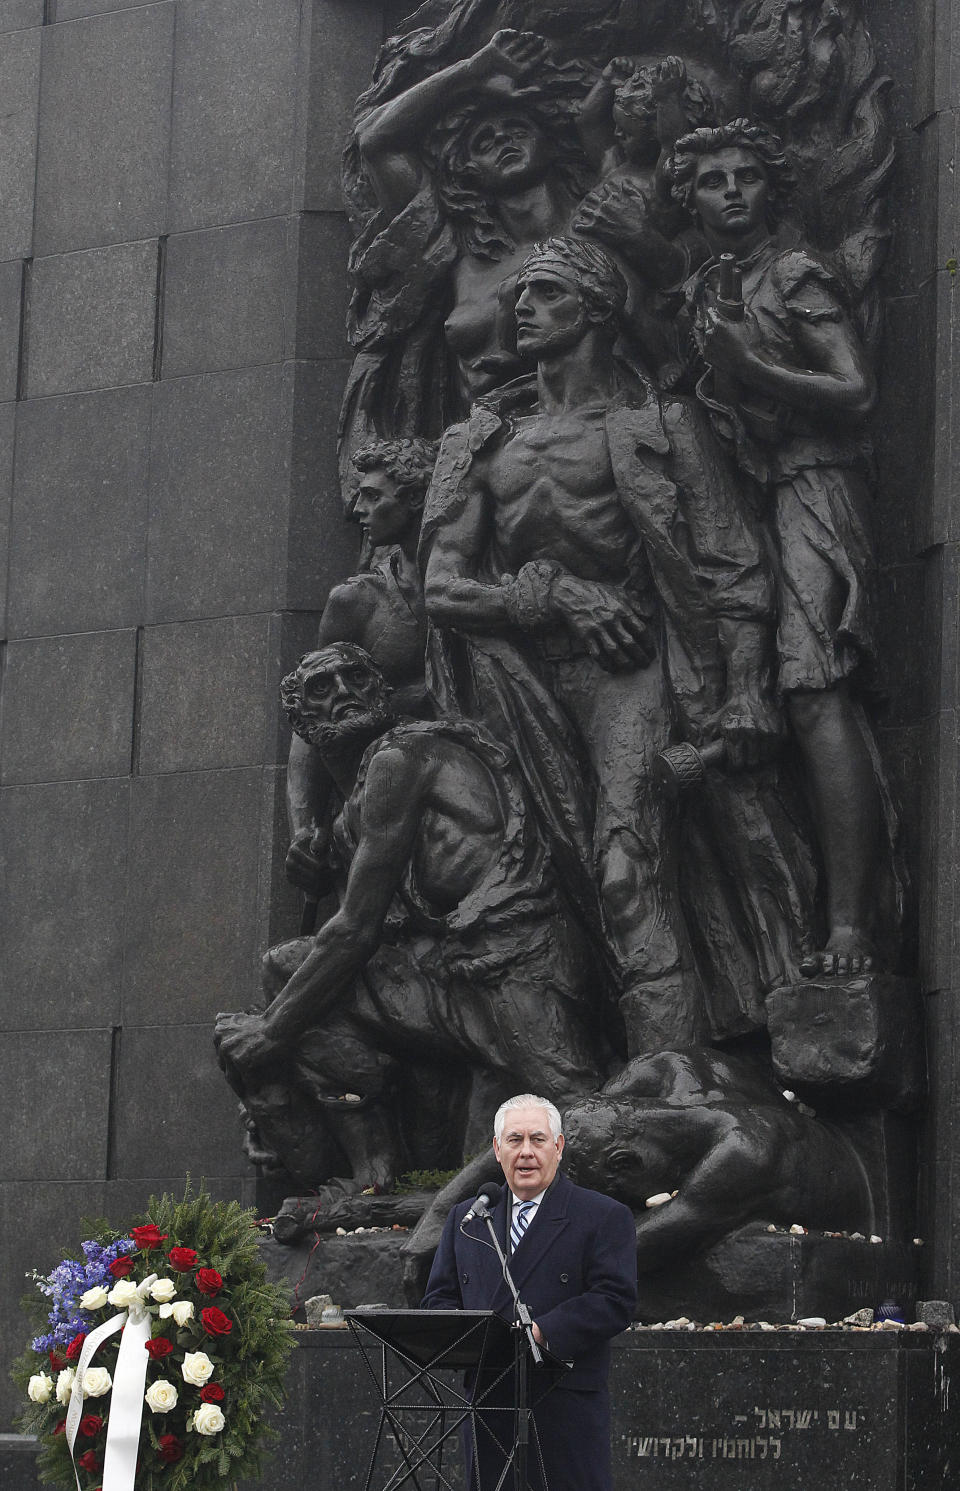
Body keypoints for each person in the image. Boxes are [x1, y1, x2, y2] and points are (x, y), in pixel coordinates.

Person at [422, 235, 814, 1052]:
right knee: (545, 893)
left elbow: (733, 566)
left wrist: (744, 688)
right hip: (521, 689)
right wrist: (553, 593)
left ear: (596, 309)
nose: (522, 307)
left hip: (632, 677)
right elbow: (441, 587)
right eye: (520, 293)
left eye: (546, 292)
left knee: (624, 874)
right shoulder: (485, 442)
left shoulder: (660, 425)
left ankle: (663, 1087)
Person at [214, 647, 601, 1192]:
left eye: (355, 679)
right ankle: (375, 1181)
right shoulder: (362, 794)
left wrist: (273, 1035)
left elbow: (355, 929)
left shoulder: (401, 757)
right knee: (286, 968)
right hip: (457, 971)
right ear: (302, 720)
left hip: (514, 963)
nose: (343, 693)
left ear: (382, 693)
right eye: (322, 689)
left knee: (578, 1103)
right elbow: (389, 920)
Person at [671, 119, 891, 977]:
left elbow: (855, 389)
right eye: (712, 180)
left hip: (813, 487)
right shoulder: (708, 285)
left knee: (813, 693)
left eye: (746, 177)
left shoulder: (794, 274)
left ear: (773, 190)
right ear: (687, 199)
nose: (730, 192)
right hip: (743, 503)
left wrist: (746, 365)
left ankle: (850, 927)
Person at [422, 1093, 638, 1491]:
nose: (526, 1153)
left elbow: (614, 1299)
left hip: (563, 1405)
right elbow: (439, 1299)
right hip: (488, 1403)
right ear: (496, 1150)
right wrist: (460, 1337)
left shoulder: (603, 1216)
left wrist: (542, 1331)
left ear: (558, 1148)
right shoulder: (468, 1217)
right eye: (515, 1140)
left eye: (537, 1140)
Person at [285, 438, 436, 903]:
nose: (355, 510)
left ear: (414, 500)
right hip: (381, 808)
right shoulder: (355, 602)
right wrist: (304, 826)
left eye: (372, 495)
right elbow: (310, 719)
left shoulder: (477, 579)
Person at [562, 1048, 875, 1269]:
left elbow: (628, 1249)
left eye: (612, 1194)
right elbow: (600, 1108)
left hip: (850, 1196)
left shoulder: (742, 1151)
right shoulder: (676, 1065)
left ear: (624, 1163)